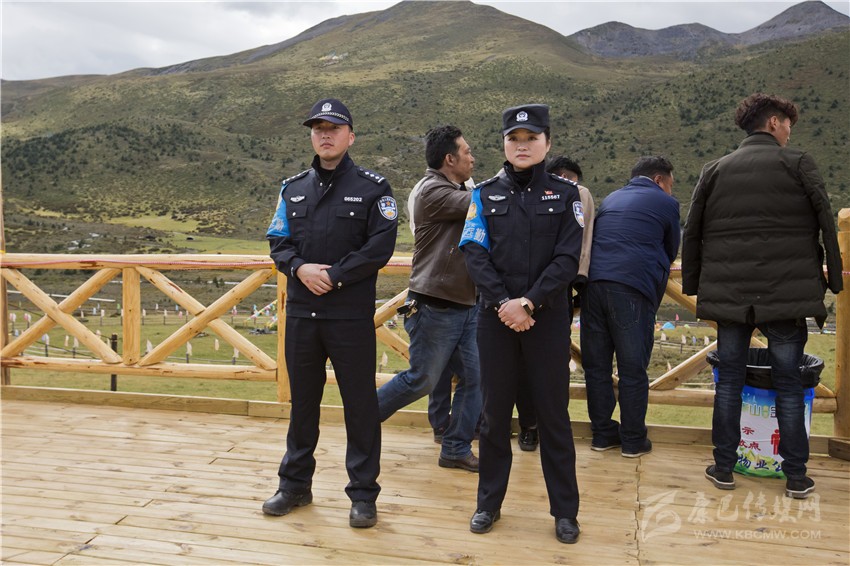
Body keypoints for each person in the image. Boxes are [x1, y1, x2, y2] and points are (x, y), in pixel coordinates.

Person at [682, 92, 843, 499]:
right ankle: (796, 476)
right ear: (773, 123)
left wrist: (694, 285)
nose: (790, 132)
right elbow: (827, 220)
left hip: (730, 296)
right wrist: (835, 282)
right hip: (787, 295)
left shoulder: (714, 169)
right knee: (789, 384)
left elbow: (692, 231)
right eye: (787, 124)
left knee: (729, 382)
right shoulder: (799, 164)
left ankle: (723, 467)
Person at [262, 98, 398, 528]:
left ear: (350, 136)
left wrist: (334, 277)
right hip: (302, 314)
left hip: (349, 316)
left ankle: (363, 494)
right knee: (303, 404)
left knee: (360, 407)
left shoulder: (375, 188)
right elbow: (278, 241)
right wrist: (300, 268)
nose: (325, 135)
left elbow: (379, 247)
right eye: (318, 128)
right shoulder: (292, 188)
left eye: (334, 128)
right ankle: (294, 486)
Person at [460, 104, 584, 544]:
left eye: (531, 138)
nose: (523, 145)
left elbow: (567, 258)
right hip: (495, 320)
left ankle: (565, 512)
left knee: (553, 416)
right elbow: (474, 252)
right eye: (515, 138)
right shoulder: (484, 194)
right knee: (494, 416)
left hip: (546, 320)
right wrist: (505, 304)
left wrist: (528, 303)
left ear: (547, 142)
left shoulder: (566, 195)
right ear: (504, 144)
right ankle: (488, 504)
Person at [377, 125, 482, 472]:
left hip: (465, 304)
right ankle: (362, 420)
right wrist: (511, 179)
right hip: (435, 304)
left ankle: (455, 448)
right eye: (467, 152)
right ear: (450, 159)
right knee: (422, 379)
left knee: (476, 378)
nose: (472, 158)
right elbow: (481, 204)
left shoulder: (455, 188)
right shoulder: (432, 190)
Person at [580, 156, 680, 457]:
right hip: (632, 287)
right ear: (659, 180)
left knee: (596, 368)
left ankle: (602, 435)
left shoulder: (612, 197)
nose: (671, 191)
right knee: (632, 369)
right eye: (671, 184)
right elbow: (671, 248)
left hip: (593, 286)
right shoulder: (666, 203)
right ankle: (633, 440)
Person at [514, 156, 596, 452]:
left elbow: (581, 241)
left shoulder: (577, 194)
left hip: (543, 290)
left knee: (539, 364)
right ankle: (544, 428)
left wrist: (577, 280)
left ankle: (535, 427)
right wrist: (579, 281)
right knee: (548, 365)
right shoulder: (522, 192)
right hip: (544, 291)